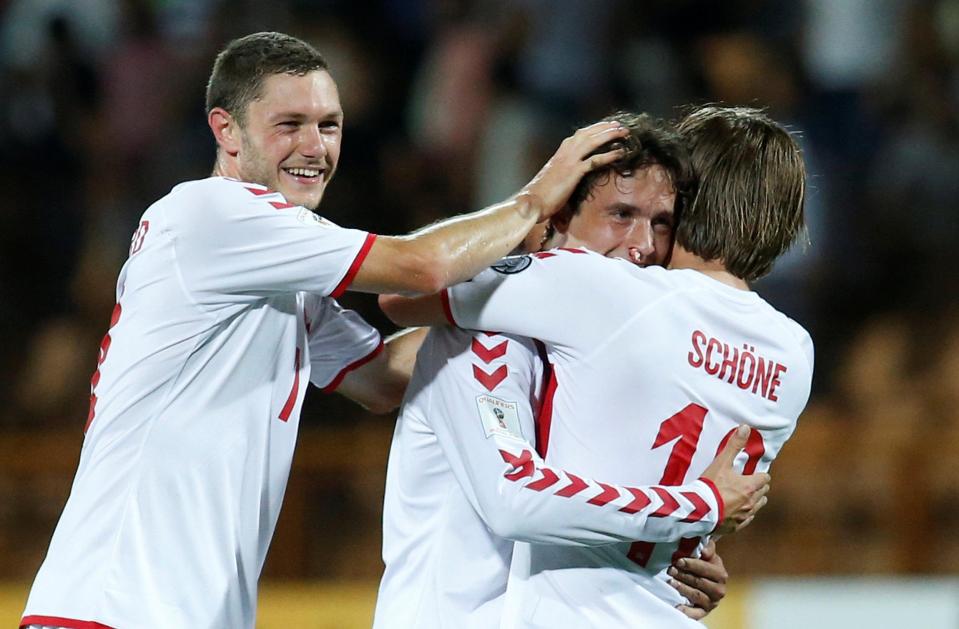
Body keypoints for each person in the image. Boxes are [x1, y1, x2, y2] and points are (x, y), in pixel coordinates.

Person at [20, 32, 630, 629]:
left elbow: (384, 379)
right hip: (109, 608)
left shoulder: (278, 276)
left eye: (329, 126)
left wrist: (544, 298)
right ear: (225, 130)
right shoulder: (211, 214)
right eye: (289, 125)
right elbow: (422, 266)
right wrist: (531, 204)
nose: (315, 147)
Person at [381, 105, 813, 627]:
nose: (641, 245)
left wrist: (528, 206)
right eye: (622, 215)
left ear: (691, 206)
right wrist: (691, 529)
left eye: (660, 220)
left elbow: (407, 285)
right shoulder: (796, 353)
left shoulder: (605, 294)